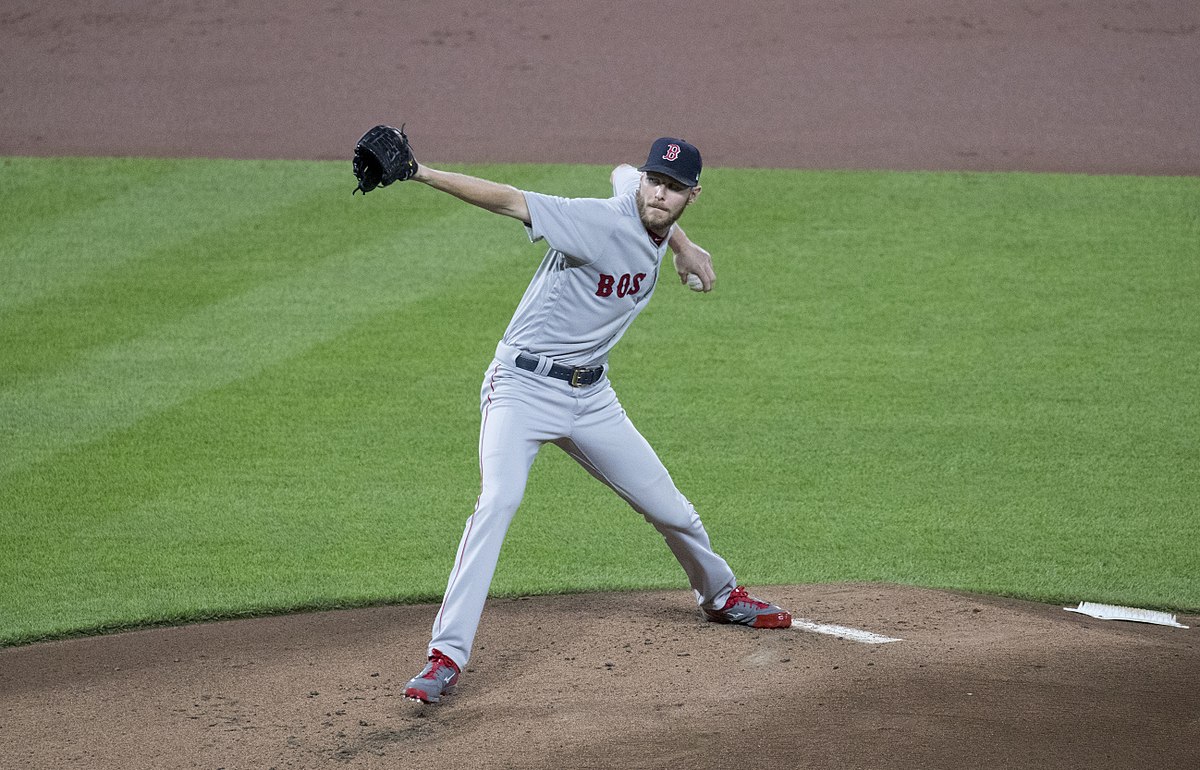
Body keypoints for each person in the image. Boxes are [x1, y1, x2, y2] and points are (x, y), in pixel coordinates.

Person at [401, 137, 792, 704]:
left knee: (669, 507)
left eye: (674, 187)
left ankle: (721, 596)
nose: (659, 192)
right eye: (654, 181)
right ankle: (445, 656)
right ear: (646, 183)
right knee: (498, 502)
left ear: (693, 195)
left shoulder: (651, 208)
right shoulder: (596, 222)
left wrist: (682, 244)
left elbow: (621, 171)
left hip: (592, 397)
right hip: (522, 388)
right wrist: (419, 172)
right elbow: (511, 201)